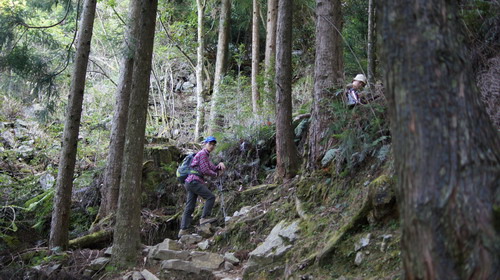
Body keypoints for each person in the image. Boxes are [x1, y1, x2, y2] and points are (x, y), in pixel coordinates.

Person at [178, 136, 226, 238]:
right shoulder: (203, 154)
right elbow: (205, 170)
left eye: (213, 145)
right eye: (210, 144)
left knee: (190, 207)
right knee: (210, 197)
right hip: (194, 181)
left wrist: (219, 165)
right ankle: (204, 218)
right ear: (205, 144)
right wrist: (216, 175)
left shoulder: (205, 156)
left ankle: (183, 230)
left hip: (190, 182)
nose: (212, 146)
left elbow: (212, 167)